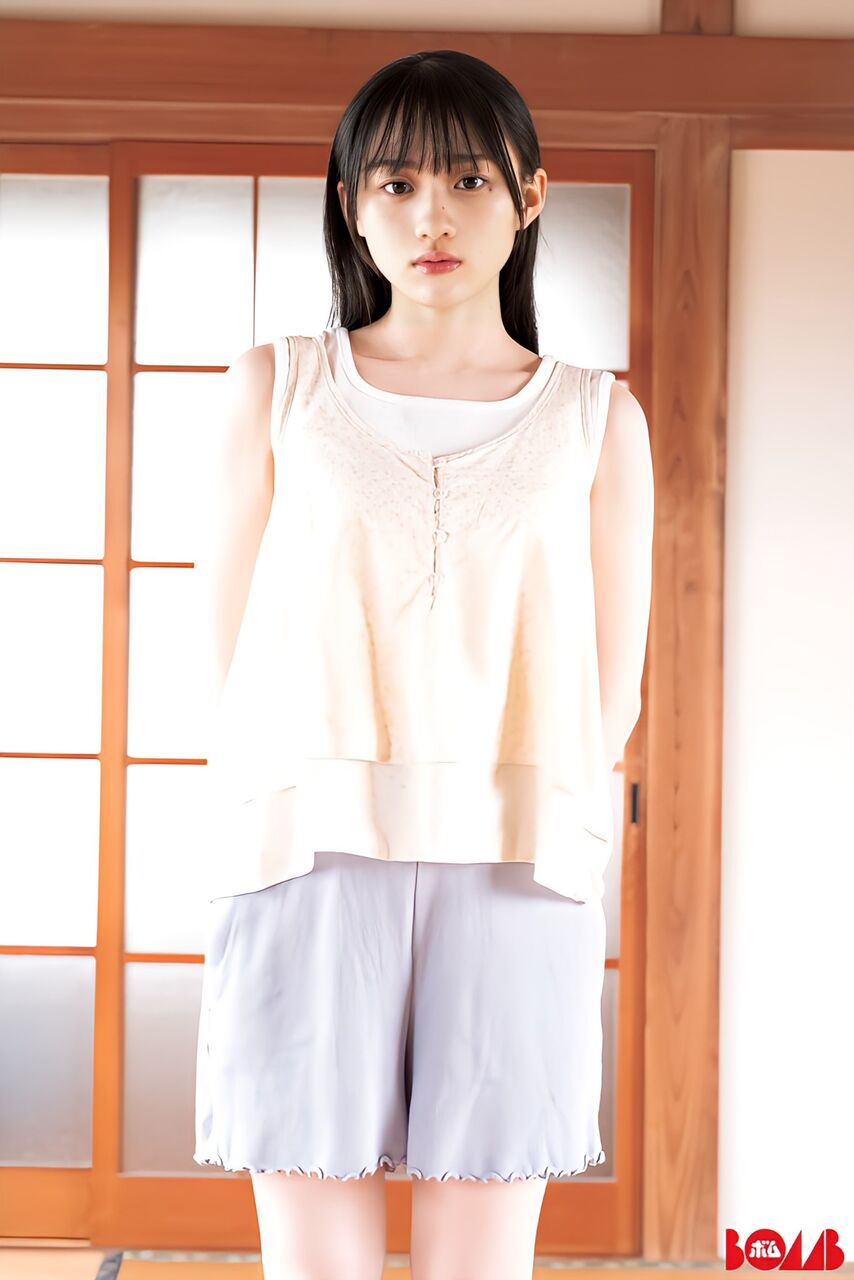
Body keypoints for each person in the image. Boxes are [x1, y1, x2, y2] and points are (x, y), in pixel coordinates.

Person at [193, 48, 654, 1280]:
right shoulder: (275, 388)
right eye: (394, 184)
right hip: (305, 852)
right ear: (350, 203)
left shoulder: (596, 417)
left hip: (519, 859)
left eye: (465, 180)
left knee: (479, 1262)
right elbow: (230, 656)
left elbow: (612, 683)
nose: (430, 215)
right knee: (315, 1260)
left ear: (530, 195)